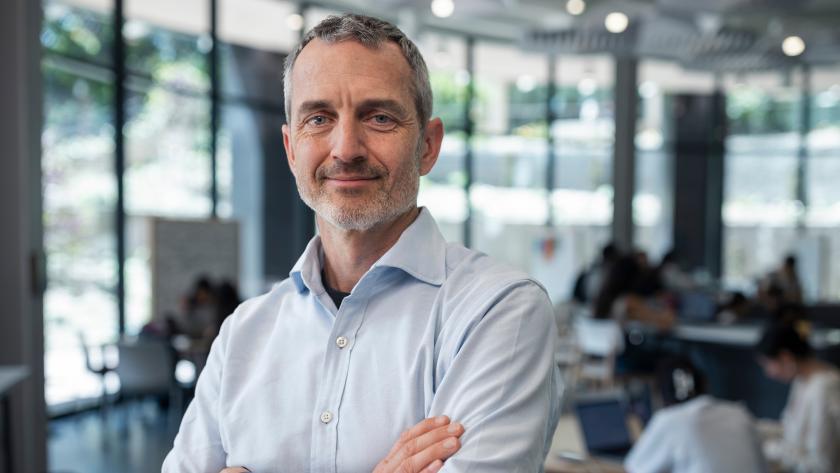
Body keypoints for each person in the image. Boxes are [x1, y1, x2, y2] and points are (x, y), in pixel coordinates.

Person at [162, 13, 560, 473]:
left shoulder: (497, 311)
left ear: (428, 146)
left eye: (379, 117)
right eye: (318, 118)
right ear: (291, 150)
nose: (346, 148)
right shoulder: (243, 335)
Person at [624, 357, 766, 473]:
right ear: (704, 383)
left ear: (661, 395)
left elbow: (634, 469)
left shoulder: (671, 420)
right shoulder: (739, 413)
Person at [756, 322, 840, 473]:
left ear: (785, 357)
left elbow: (821, 466)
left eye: (768, 364)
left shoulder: (824, 388)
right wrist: (752, 428)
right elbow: (791, 431)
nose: (768, 373)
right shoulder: (801, 380)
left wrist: (770, 449)